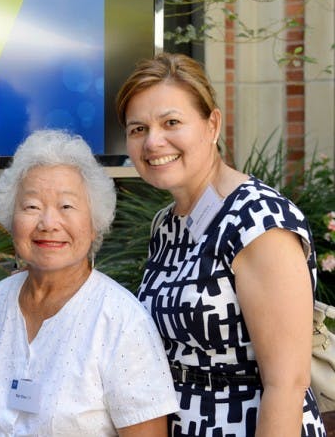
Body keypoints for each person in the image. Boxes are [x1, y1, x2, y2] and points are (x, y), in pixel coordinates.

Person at [115, 52, 326, 436]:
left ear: (212, 124)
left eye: (171, 122)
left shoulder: (259, 222)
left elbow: (287, 384)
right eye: (138, 129)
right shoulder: (167, 224)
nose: (153, 141)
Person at [0, 129, 179, 436]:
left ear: (94, 225)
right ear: (11, 220)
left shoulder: (122, 321)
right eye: (32, 207)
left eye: (66, 206)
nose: (48, 223)